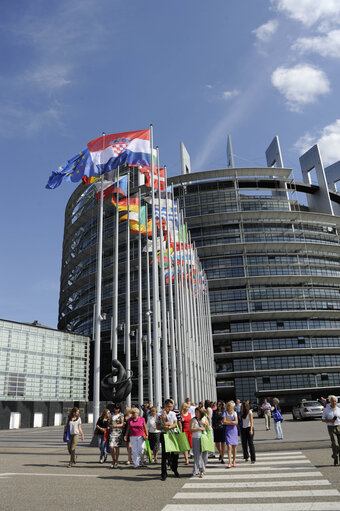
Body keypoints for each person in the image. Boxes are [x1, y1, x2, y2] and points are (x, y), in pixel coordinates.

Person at [157, 398, 180, 481]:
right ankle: (163, 473)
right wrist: (163, 426)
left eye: (171, 406)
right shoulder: (159, 414)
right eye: (168, 406)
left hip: (173, 434)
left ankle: (174, 468)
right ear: (165, 406)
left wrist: (169, 426)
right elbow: (157, 426)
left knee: (175, 453)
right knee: (164, 454)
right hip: (164, 435)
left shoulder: (173, 413)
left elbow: (175, 424)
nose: (170, 408)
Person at [190, 407, 208, 478]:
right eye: (196, 412)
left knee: (204, 454)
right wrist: (199, 428)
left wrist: (204, 424)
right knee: (197, 455)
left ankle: (197, 469)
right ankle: (201, 471)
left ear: (201, 413)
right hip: (196, 438)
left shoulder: (204, 419)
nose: (196, 413)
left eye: (198, 412)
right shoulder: (193, 419)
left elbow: (208, 428)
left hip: (204, 438)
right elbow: (191, 429)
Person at [322, 395, 340, 465]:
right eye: (332, 401)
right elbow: (323, 420)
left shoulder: (339, 409)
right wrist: (330, 420)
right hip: (331, 428)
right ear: (330, 401)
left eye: (335, 401)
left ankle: (337, 458)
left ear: (337, 401)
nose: (334, 402)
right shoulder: (326, 410)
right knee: (335, 444)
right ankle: (335, 458)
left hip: (339, 426)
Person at [223, 400, 238, 468]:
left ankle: (234, 461)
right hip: (228, 431)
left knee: (234, 446)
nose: (229, 407)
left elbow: (236, 422)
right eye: (228, 406)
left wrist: (230, 422)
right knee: (229, 446)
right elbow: (224, 422)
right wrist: (232, 422)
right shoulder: (225, 413)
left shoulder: (234, 413)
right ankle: (229, 462)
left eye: (230, 406)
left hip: (234, 431)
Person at [109, 403, 124, 468]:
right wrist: (110, 426)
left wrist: (116, 426)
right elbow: (109, 423)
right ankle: (113, 459)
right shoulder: (111, 415)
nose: (116, 410)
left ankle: (116, 461)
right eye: (115, 408)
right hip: (112, 432)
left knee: (117, 447)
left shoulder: (121, 415)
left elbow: (122, 424)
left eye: (118, 409)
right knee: (111, 446)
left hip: (118, 432)